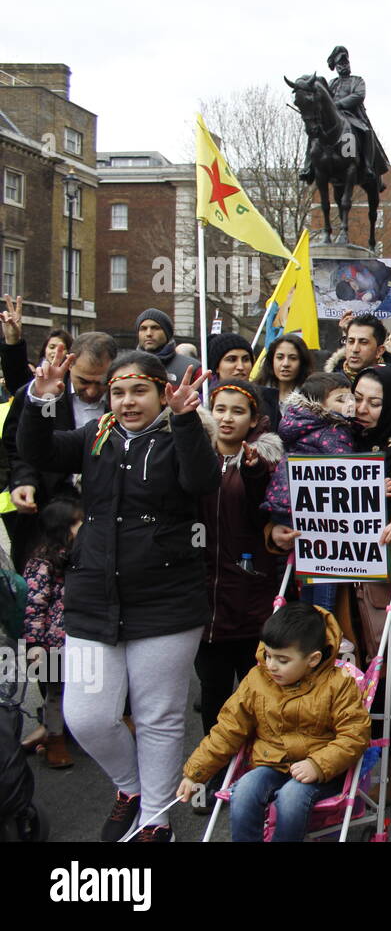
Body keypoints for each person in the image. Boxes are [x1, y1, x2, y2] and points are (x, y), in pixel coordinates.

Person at [20, 352, 219, 842]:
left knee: (158, 715)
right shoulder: (94, 437)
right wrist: (41, 401)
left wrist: (188, 417)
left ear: (161, 394)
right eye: (118, 392)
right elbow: (37, 452)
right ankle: (130, 788)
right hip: (93, 596)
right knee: (86, 715)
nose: (128, 401)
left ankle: (155, 818)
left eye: (139, 391)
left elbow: (202, 481)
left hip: (166, 600)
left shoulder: (179, 436)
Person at [270, 362, 391, 826]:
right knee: (353, 690)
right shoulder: (331, 438)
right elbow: (291, 497)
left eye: (376, 401)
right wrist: (276, 531)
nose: (364, 410)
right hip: (336, 589)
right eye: (359, 399)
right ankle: (370, 769)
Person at [178, 602, 370, 842]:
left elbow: (354, 735)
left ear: (313, 659)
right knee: (244, 790)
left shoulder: (339, 685)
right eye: (267, 655)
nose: (271, 665)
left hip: (321, 770)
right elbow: (227, 729)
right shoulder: (258, 680)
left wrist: (318, 765)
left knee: (291, 798)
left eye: (282, 660)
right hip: (270, 763)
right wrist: (195, 773)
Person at [196, 381, 284, 749]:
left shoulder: (264, 462)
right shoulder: (195, 458)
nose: (227, 418)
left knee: (258, 694)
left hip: (251, 593)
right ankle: (213, 769)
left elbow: (259, 512)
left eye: (237, 411)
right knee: (213, 694)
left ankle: (256, 770)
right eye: (220, 409)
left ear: (253, 420)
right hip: (204, 599)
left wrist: (253, 474)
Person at [2, 331, 116, 570]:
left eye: (101, 382)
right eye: (84, 381)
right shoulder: (43, 394)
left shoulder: (122, 399)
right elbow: (18, 445)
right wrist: (24, 480)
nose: (93, 391)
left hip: (103, 514)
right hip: (47, 511)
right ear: (70, 364)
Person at [263, 372, 356, 618]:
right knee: (324, 569)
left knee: (300, 572)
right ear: (319, 404)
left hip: (285, 504)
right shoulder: (333, 430)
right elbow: (347, 470)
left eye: (351, 397)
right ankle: (322, 619)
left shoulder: (298, 423)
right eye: (341, 399)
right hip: (314, 511)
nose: (350, 404)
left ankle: (304, 615)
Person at [19, 496, 83, 770]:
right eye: (78, 523)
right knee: (56, 693)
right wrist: (34, 644)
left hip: (80, 639)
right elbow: (33, 607)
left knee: (84, 687)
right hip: (52, 645)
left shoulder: (79, 557)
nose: (84, 527)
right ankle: (54, 739)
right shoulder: (42, 563)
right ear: (63, 528)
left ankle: (74, 731)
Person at [299, 45, 389, 186]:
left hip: (352, 116)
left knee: (366, 132)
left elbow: (359, 96)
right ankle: (308, 167)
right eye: (340, 63)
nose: (344, 65)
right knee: (314, 133)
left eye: (345, 62)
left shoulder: (357, 80)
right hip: (333, 119)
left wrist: (338, 105)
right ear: (336, 66)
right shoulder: (331, 83)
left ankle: (367, 166)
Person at [324, 313, 391, 384]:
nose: (355, 349)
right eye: (350, 341)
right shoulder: (330, 383)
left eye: (363, 342)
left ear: (379, 351)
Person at [136, 308, 200, 385]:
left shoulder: (192, 369)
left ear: (167, 333)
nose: (148, 333)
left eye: (155, 328)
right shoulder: (126, 367)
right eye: (143, 329)